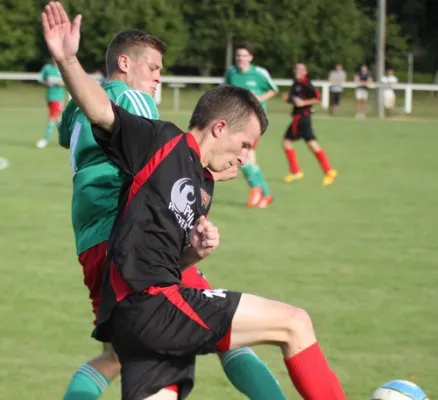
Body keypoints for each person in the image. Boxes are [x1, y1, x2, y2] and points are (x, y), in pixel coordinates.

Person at [42, 3, 347, 400]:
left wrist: (194, 249)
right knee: (288, 323)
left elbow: (77, 131)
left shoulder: (195, 181)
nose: (157, 77)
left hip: (112, 268)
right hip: (145, 290)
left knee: (128, 362)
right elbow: (104, 112)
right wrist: (67, 59)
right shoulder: (155, 133)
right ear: (220, 127)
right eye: (243, 145)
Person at [224, 41, 278, 208]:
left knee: (241, 156)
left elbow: (273, 89)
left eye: (244, 56)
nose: (241, 58)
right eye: (239, 55)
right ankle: (266, 193)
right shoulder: (231, 72)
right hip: (237, 120)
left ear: (251, 57)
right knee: (247, 159)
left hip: (254, 123)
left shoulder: (259, 73)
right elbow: (225, 90)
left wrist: (258, 99)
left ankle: (256, 188)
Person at [282, 63, 337, 186]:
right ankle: (324, 171)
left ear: (306, 72)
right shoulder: (296, 84)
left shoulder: (307, 84)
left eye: (301, 69)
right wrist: (287, 98)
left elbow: (318, 98)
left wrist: (304, 102)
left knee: (294, 142)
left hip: (303, 118)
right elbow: (294, 99)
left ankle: (327, 171)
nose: (297, 71)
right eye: (296, 68)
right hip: (298, 118)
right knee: (303, 143)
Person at [36, 58, 65, 148]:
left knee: (52, 117)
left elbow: (70, 80)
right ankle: (68, 137)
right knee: (57, 119)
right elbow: (40, 78)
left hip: (58, 98)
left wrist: (63, 83)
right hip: (49, 97)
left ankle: (45, 139)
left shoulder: (63, 69)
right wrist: (46, 82)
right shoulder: (47, 68)